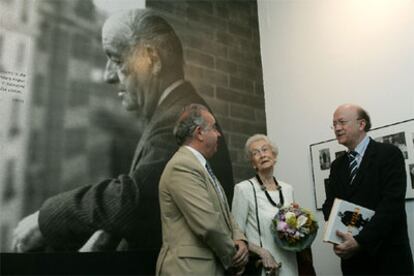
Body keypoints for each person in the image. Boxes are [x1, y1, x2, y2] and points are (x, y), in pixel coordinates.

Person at [11, 8, 234, 270]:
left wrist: (45, 220)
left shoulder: (182, 119)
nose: (108, 75)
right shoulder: (176, 113)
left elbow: (136, 199)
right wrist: (109, 236)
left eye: (116, 60)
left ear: (152, 58)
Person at [156, 103, 248, 275]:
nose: (218, 134)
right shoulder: (182, 166)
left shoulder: (201, 166)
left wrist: (239, 238)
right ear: (199, 133)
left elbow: (224, 213)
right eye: (214, 128)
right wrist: (234, 257)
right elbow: (209, 225)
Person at [322, 103, 413, 275]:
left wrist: (360, 241)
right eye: (334, 124)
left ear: (361, 124)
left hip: (388, 258)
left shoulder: (389, 154)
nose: (337, 128)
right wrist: (337, 235)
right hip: (353, 263)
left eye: (342, 122)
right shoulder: (337, 166)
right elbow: (329, 205)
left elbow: (391, 205)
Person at [232, 134, 298, 276]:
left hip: (290, 263)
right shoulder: (244, 189)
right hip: (263, 266)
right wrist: (262, 252)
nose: (262, 155)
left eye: (265, 149)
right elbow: (236, 234)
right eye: (256, 153)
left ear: (274, 156)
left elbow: (291, 228)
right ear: (253, 163)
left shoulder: (287, 189)